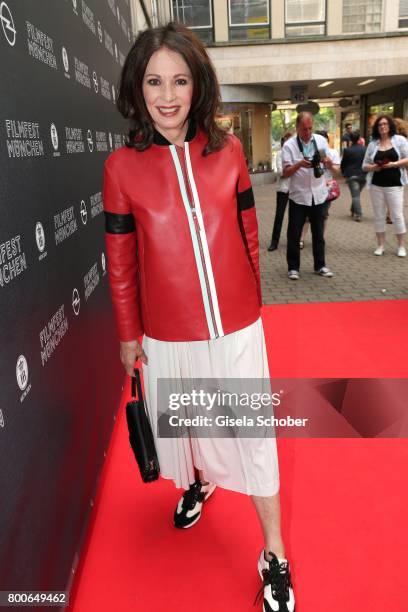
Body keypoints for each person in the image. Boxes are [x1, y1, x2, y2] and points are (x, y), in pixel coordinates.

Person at [102, 22, 295, 612]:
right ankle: (199, 480)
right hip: (167, 333)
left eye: (180, 80)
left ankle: (275, 553)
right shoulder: (120, 169)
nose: (167, 95)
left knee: (255, 436)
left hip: (237, 328)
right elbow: (122, 262)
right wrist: (129, 335)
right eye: (154, 81)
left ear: (198, 86)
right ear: (137, 88)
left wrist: (249, 301)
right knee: (186, 426)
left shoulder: (228, 150)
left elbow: (247, 230)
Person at [282, 112, 334, 280]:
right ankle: (293, 267)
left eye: (310, 128)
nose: (308, 132)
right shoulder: (289, 146)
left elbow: (329, 163)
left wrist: (327, 163)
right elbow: (285, 173)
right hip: (298, 196)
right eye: (304, 129)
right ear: (297, 127)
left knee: (319, 233)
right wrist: (299, 164)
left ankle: (320, 265)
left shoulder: (320, 141)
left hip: (318, 194)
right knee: (294, 234)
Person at [362, 114, 408, 257]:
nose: (382, 126)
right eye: (379, 125)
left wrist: (394, 164)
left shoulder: (399, 140)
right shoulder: (373, 143)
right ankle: (380, 245)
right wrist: (373, 167)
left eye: (385, 124)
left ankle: (401, 246)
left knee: (397, 215)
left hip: (394, 184)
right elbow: (364, 166)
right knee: (379, 215)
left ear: (390, 125)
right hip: (376, 185)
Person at [299, 130, 340, 247]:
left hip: (326, 188)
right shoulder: (307, 151)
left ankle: (319, 238)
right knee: (306, 215)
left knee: (323, 215)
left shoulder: (332, 153)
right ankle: (301, 239)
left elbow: (337, 171)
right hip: (309, 187)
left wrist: (330, 165)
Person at [267, 132, 293, 251]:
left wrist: (291, 170)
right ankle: (274, 242)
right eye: (286, 141)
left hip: (295, 189)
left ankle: (292, 241)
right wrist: (291, 170)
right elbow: (279, 172)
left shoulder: (296, 154)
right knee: (279, 216)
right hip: (283, 189)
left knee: (294, 218)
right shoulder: (279, 154)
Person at [340, 130, 367, 221]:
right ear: (359, 139)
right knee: (357, 194)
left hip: (352, 175)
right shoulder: (365, 149)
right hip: (363, 175)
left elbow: (343, 163)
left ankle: (358, 214)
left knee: (355, 195)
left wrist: (343, 173)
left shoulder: (347, 150)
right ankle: (353, 210)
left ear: (350, 139)